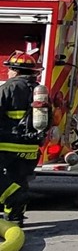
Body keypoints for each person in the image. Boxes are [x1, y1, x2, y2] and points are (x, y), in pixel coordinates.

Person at [0, 52, 50, 224]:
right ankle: (15, 219)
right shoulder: (39, 92)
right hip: (31, 148)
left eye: (9, 69)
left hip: (7, 146)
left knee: (10, 186)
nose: (8, 73)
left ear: (16, 71)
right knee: (19, 180)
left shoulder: (8, 88)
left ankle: (14, 197)